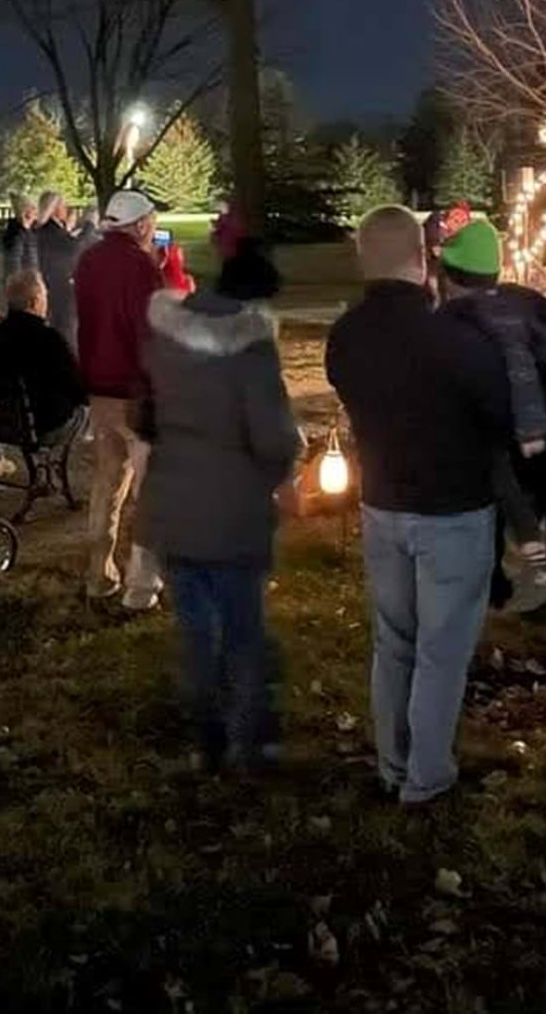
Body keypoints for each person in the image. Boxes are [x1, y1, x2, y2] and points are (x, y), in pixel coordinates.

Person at [326, 205, 511, 805]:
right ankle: (426, 777)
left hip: (382, 506)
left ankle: (392, 762)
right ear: (423, 257)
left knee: (394, 641)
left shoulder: (344, 337)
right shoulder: (453, 339)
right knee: (441, 650)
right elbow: (501, 415)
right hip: (453, 512)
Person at [138, 241, 301, 771]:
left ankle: (205, 738)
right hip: (233, 513)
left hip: (173, 505)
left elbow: (146, 415)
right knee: (243, 632)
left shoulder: (164, 338)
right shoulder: (251, 350)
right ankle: (251, 744)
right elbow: (272, 438)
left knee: (196, 631)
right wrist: (285, 472)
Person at [434, 217, 546, 610]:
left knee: (500, 494)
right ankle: (529, 564)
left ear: (452, 276)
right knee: (514, 498)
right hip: (525, 428)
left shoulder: (472, 321)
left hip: (506, 427)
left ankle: (530, 571)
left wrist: (529, 428)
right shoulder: (515, 307)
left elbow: (519, 372)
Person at [74, 190, 166, 608]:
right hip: (138, 390)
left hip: (99, 387)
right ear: (142, 225)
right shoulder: (140, 266)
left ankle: (98, 573)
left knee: (107, 481)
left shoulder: (89, 261)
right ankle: (141, 586)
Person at [0, 269, 86, 443]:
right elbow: (78, 389)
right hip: (45, 427)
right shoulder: (50, 340)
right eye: (45, 295)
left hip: (1, 426)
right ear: (35, 301)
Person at [34, 191, 82, 347]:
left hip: (57, 284)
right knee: (65, 329)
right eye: (63, 205)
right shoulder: (49, 229)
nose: (66, 209)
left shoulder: (53, 229)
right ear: (54, 208)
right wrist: (88, 227)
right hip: (58, 285)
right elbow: (71, 249)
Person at [1, 195, 40, 283]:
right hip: (23, 282)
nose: (36, 211)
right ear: (25, 212)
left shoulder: (31, 230)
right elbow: (14, 261)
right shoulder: (16, 233)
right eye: (33, 208)